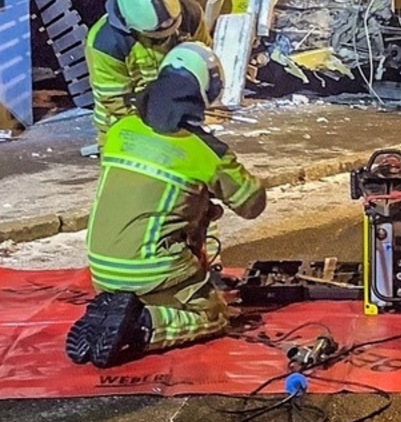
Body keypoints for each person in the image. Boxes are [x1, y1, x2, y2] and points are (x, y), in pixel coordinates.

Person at [66, 43, 266, 369]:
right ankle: (141, 326)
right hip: (151, 268)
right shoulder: (205, 152)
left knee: (179, 208)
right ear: (204, 92)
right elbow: (251, 203)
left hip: (100, 267)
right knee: (212, 314)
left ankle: (121, 307)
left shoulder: (120, 130)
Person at [85, 0, 212, 147]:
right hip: (124, 128)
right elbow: (116, 100)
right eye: (157, 35)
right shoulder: (105, 43)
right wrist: (158, 128)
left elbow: (202, 64)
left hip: (177, 122)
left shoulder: (190, 14)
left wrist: (188, 115)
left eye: (173, 28)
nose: (167, 37)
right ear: (131, 24)